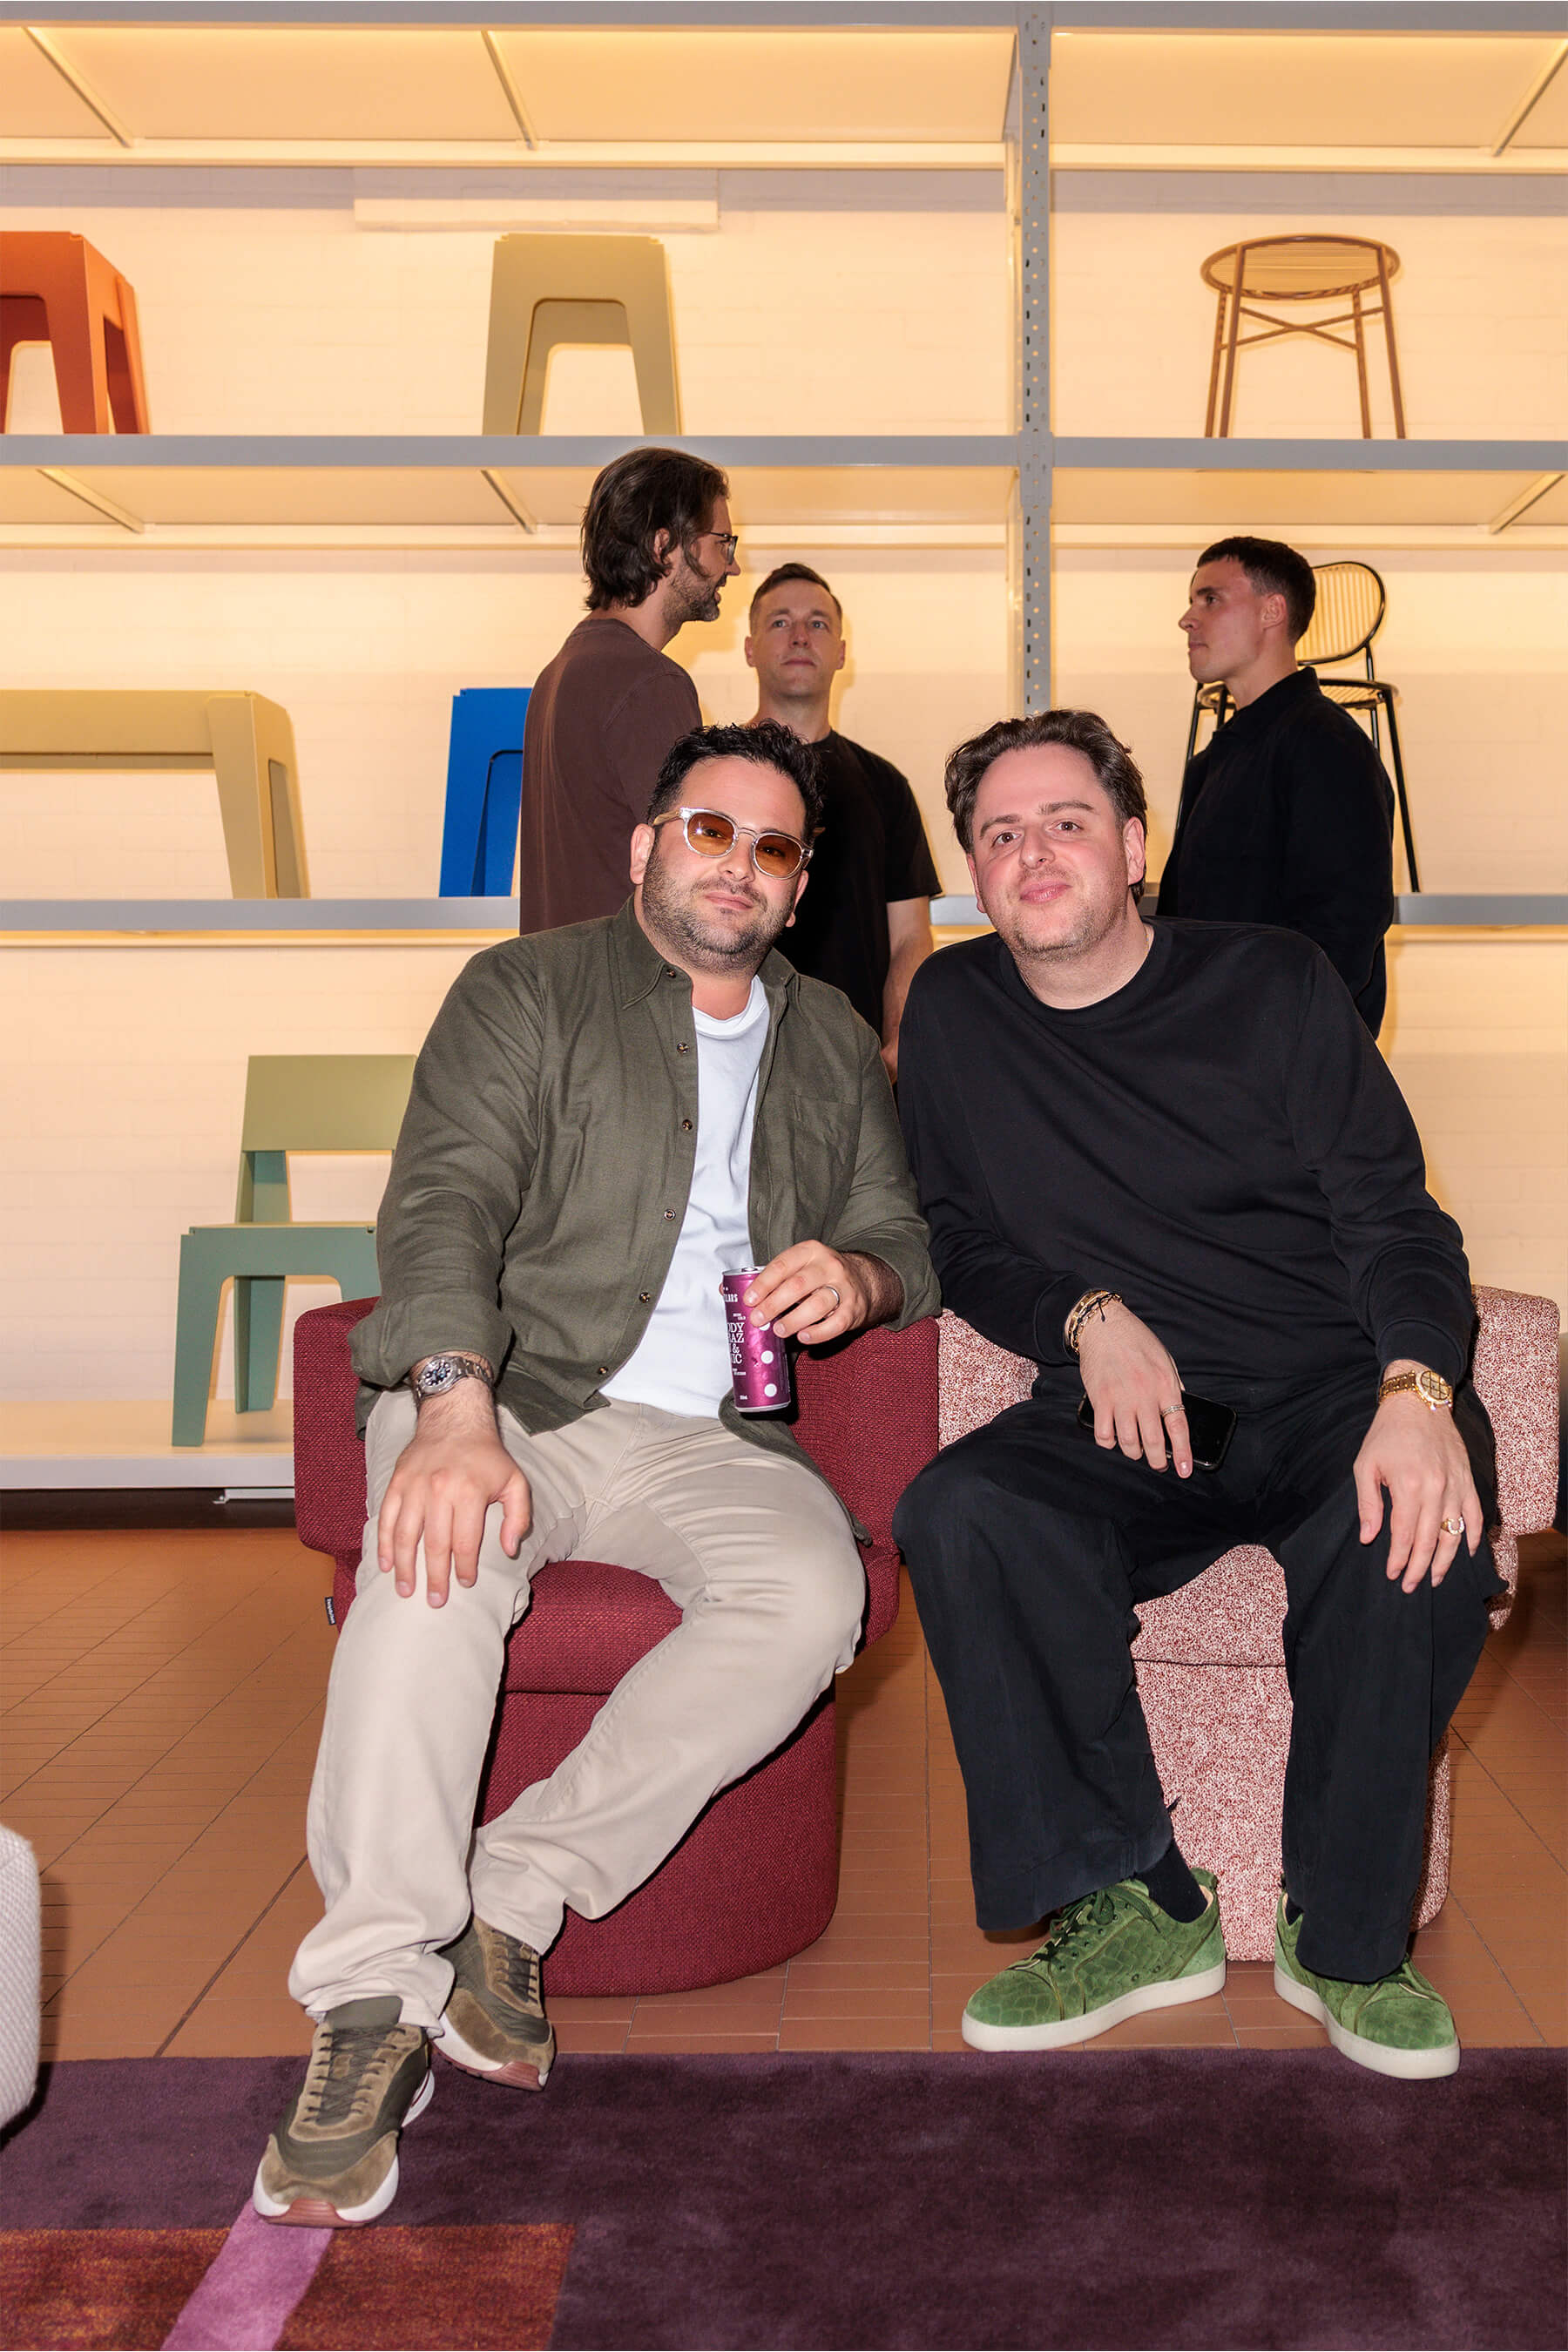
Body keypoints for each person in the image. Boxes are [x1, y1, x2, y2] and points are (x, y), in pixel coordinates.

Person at [254, 720, 938, 2228]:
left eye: (773, 847)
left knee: (813, 1594)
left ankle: (510, 1891)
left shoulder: (830, 1038)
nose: (738, 866)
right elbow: (443, 1199)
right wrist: (449, 1406)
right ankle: (369, 1997)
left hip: (714, 1439)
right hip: (519, 1397)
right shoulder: (527, 990)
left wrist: (864, 1277)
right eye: (710, 830)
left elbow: (901, 1230)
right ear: (647, 845)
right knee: (436, 1563)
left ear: (801, 884)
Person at [893, 707, 1499, 2080]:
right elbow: (956, 1239)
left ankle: (1346, 1938)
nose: (1034, 853)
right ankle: (1136, 1904)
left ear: (1133, 846)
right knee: (965, 1510)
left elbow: (1397, 1219)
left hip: (1333, 1393)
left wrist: (1418, 1392)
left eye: (1066, 822)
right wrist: (1083, 1314)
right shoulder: (955, 1012)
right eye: (1000, 834)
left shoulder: (1273, 984)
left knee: (1413, 1538)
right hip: (1149, 1413)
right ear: (975, 875)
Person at [1159, 535, 1396, 1033]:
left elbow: (1344, 928)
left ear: (1272, 611)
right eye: (1192, 601)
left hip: (1283, 1058)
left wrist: (1270, 1043)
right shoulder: (1213, 762)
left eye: (1211, 599)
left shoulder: (1326, 744)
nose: (1187, 619)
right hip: (1212, 1051)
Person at [517, 446, 740, 933]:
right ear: (664, 546)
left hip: (564, 975)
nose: (732, 566)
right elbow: (698, 865)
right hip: (630, 979)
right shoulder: (649, 682)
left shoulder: (561, 672)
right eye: (723, 542)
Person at [745, 563, 940, 1079]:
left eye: (818, 623)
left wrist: (895, 1049)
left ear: (841, 653)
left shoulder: (886, 786)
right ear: (749, 648)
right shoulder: (715, 776)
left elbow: (910, 939)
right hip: (732, 1061)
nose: (800, 636)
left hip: (855, 1069)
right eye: (780, 622)